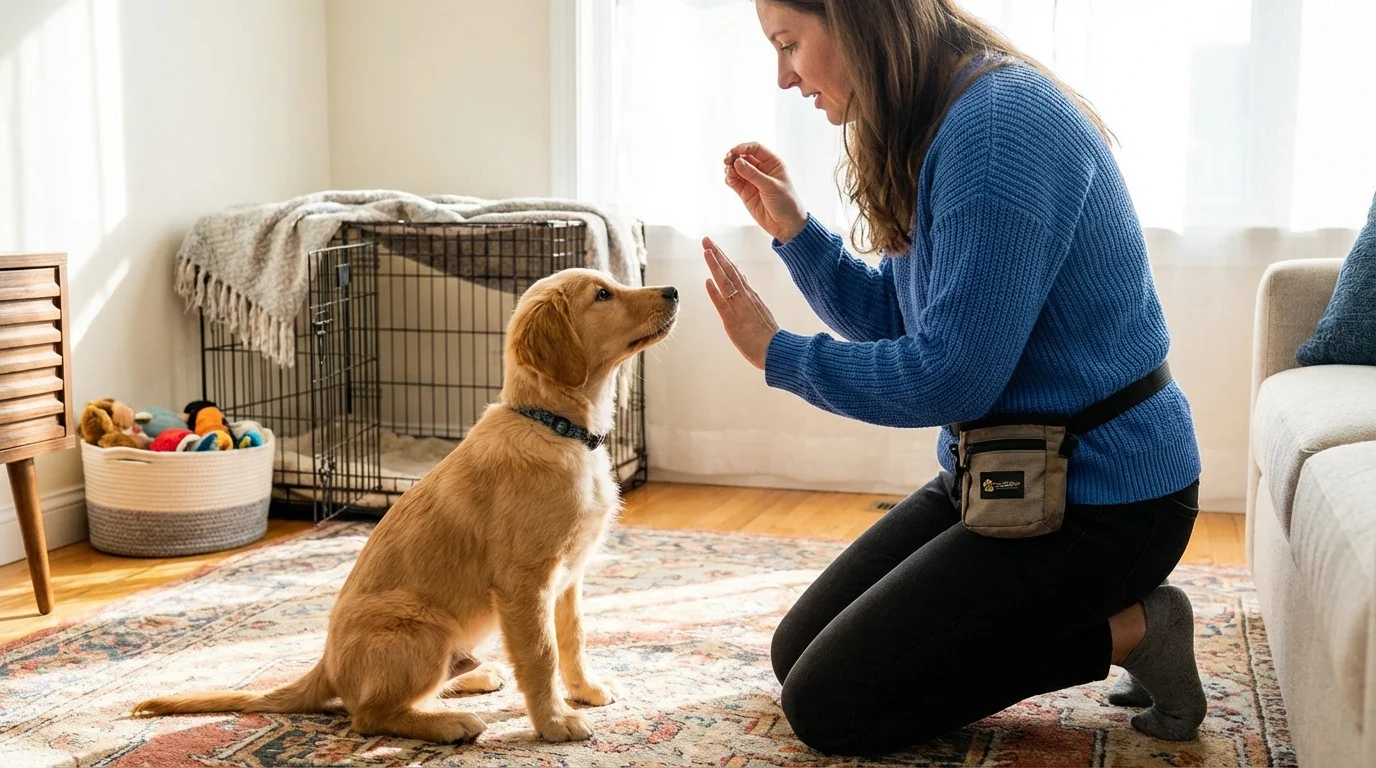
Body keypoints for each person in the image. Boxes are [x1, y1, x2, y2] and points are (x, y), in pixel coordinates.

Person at [701, 0, 1206, 758]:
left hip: (1107, 503)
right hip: (1007, 475)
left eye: (789, 44)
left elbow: (950, 376)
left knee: (830, 705)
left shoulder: (1000, 129)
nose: (785, 77)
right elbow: (900, 317)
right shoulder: (940, 117)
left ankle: (1135, 628)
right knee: (795, 653)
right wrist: (795, 233)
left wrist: (781, 354)